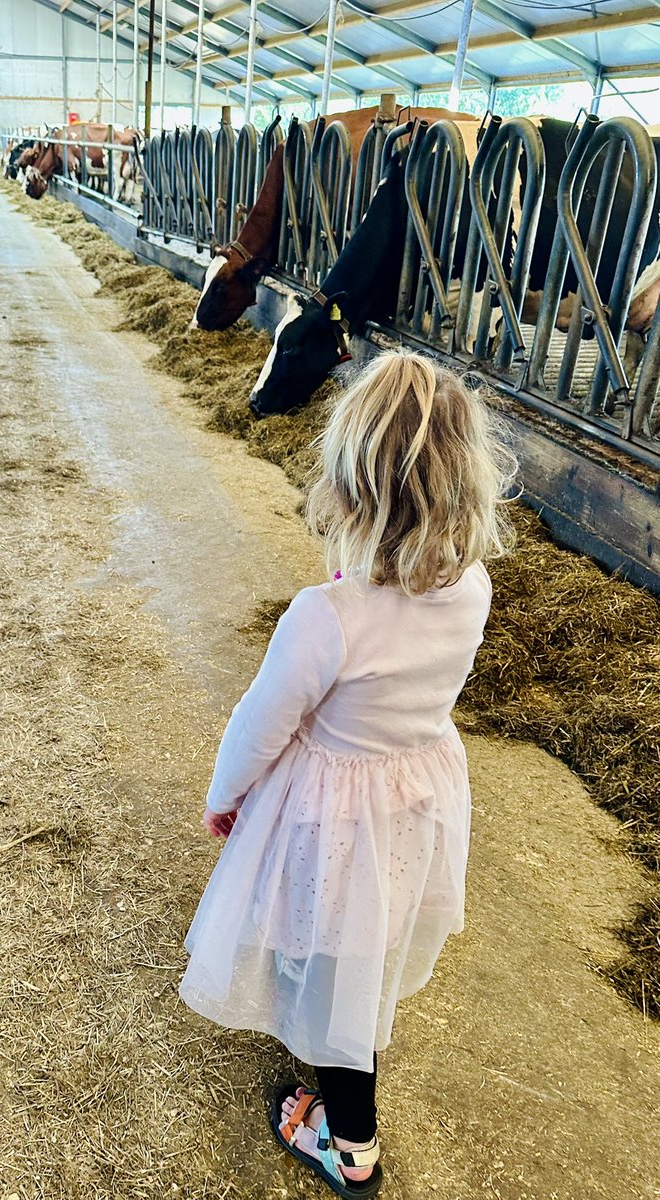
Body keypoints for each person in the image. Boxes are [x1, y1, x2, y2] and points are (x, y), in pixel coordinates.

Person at [179, 352, 515, 1198]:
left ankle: (349, 1143)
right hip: (414, 796)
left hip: (332, 807)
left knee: (332, 955)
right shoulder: (470, 586)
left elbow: (262, 725)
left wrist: (226, 799)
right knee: (368, 929)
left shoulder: (324, 618)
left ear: (349, 481)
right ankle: (336, 1029)